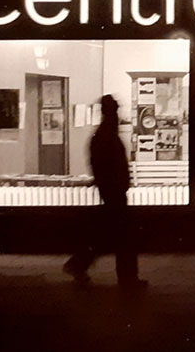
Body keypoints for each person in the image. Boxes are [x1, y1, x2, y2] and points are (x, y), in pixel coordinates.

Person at [63, 95, 147, 289]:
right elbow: (110, 165)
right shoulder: (108, 135)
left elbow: (97, 164)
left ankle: (79, 264)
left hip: (111, 191)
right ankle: (126, 277)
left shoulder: (102, 135)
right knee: (122, 235)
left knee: (108, 233)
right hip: (114, 191)